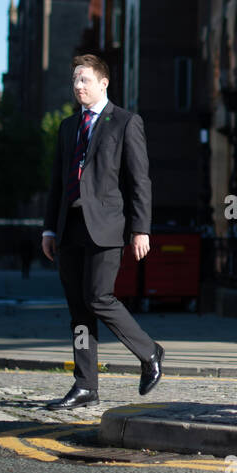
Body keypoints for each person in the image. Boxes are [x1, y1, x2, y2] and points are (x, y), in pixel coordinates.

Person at [41, 54, 164, 409]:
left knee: (98, 297)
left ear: (103, 83)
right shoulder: (68, 128)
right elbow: (57, 182)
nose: (78, 86)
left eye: (85, 80)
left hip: (107, 228)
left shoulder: (125, 122)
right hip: (69, 228)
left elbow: (140, 181)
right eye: (75, 81)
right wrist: (49, 228)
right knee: (79, 310)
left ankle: (150, 351)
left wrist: (141, 230)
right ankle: (85, 385)